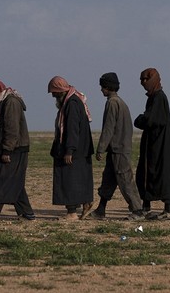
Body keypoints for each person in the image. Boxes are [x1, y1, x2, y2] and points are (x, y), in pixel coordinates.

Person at [91, 72, 144, 221]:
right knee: (108, 179)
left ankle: (137, 210)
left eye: (102, 87)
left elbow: (108, 128)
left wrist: (100, 148)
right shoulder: (120, 102)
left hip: (119, 149)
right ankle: (101, 209)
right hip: (116, 149)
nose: (101, 90)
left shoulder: (112, 103)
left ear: (108, 87)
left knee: (125, 180)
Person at [133, 68, 170, 220]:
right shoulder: (153, 97)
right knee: (146, 173)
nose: (144, 83)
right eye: (142, 80)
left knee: (162, 174)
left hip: (161, 145)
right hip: (152, 144)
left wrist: (139, 119)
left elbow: (151, 120)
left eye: (146, 79)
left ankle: (168, 209)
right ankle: (146, 206)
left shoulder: (159, 97)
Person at [0, 79, 35, 221]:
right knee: (14, 181)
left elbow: (12, 129)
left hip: (15, 149)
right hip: (13, 147)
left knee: (2, 179)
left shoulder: (11, 102)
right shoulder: (4, 103)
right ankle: (27, 214)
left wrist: (6, 151)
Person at [48, 76, 95, 220]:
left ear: (60, 91)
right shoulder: (73, 101)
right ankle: (86, 203)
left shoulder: (72, 104)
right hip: (80, 150)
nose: (53, 95)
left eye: (54, 92)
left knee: (70, 179)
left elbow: (72, 128)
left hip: (74, 150)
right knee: (80, 178)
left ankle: (72, 213)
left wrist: (69, 150)